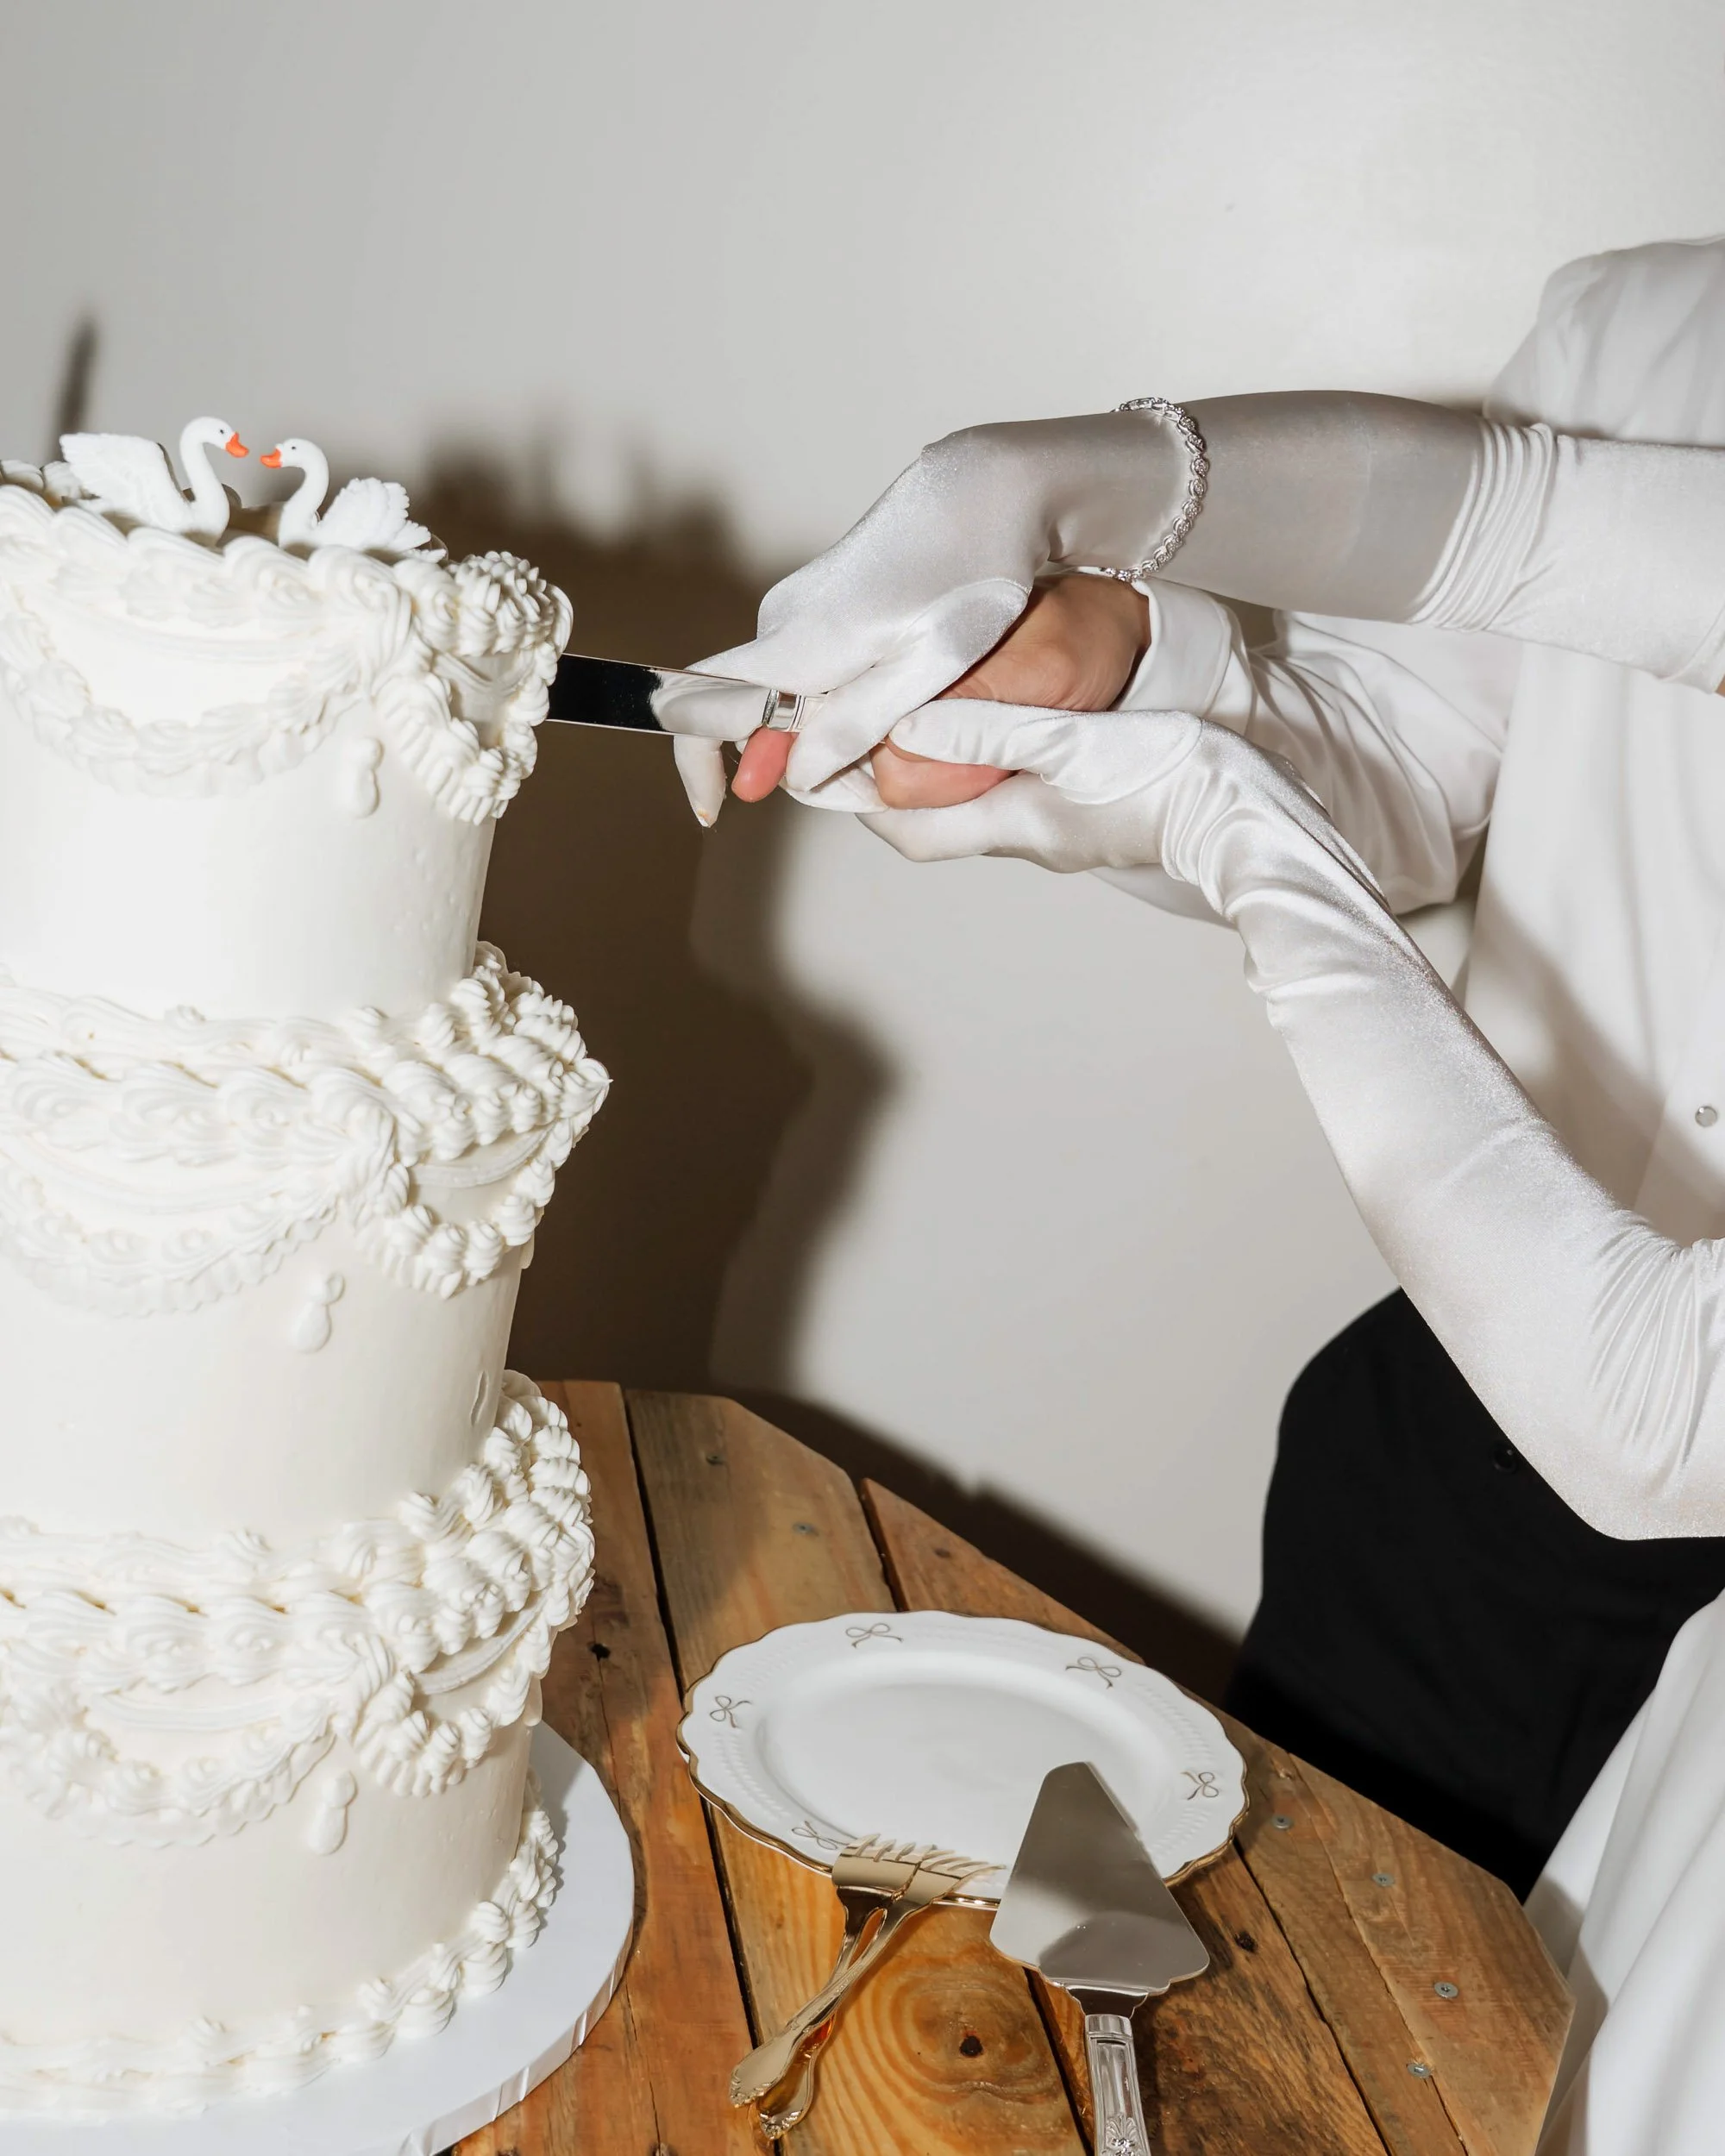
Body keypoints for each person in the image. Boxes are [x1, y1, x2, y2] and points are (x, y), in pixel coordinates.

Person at [673, 239, 1725, 1895]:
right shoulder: (1654, 326)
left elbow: (1649, 1414)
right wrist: (1117, 645)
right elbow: (1449, 678)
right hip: (1446, 1468)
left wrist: (1214, 815)